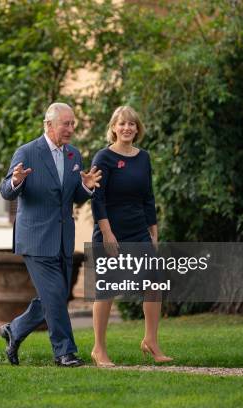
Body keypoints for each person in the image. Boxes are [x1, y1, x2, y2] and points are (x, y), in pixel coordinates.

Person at [0, 102, 102, 367]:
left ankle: (15, 330)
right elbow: (6, 191)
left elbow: (72, 197)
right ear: (49, 125)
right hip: (35, 238)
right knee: (55, 295)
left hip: (63, 239)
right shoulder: (27, 152)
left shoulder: (74, 156)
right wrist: (16, 180)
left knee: (53, 296)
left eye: (72, 124)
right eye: (65, 124)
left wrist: (87, 188)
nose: (70, 129)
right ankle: (64, 352)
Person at [90, 106, 173, 367]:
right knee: (107, 289)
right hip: (111, 231)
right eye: (122, 124)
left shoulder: (143, 157)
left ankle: (151, 341)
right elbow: (97, 198)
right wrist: (106, 232)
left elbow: (148, 197)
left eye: (132, 124)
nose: (127, 128)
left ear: (138, 129)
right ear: (113, 128)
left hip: (139, 231)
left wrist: (154, 233)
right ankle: (98, 349)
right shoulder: (103, 158)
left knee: (154, 283)